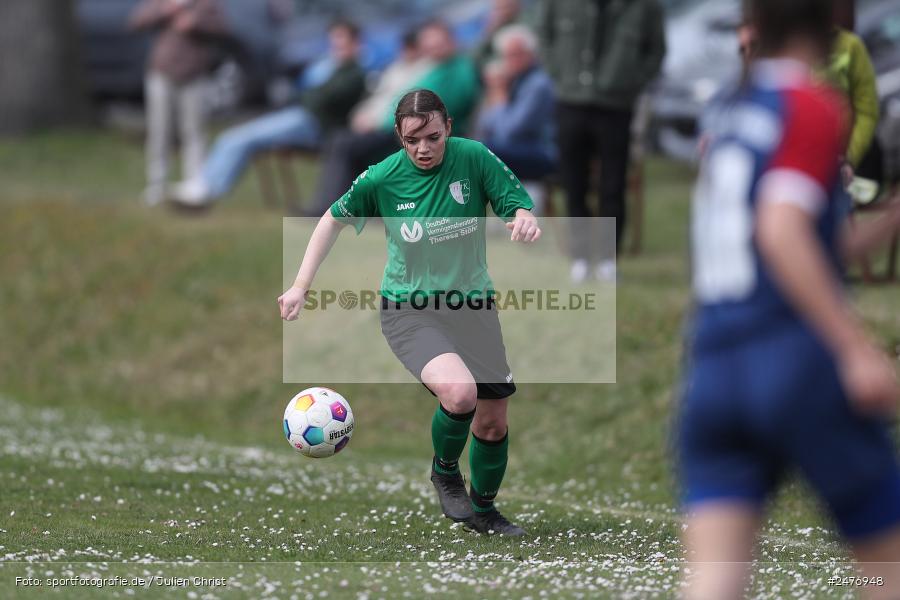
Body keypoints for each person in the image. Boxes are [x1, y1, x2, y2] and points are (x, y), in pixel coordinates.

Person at [678, 0, 900, 598]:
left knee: (713, 583)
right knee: (889, 566)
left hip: (714, 365)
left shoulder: (728, 110)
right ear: (833, 22)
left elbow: (805, 241)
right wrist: (853, 347)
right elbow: (781, 232)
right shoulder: (807, 104)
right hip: (792, 359)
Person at [279, 89, 539, 536]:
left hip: (473, 307)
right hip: (410, 310)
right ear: (399, 136)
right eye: (412, 140)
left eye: (433, 137)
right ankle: (444, 472)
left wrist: (522, 217)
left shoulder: (473, 157)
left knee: (493, 423)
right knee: (460, 395)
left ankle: (484, 511)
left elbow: (513, 201)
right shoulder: (382, 177)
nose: (423, 149)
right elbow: (331, 219)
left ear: (448, 129)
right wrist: (300, 285)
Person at [170, 19, 366, 207]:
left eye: (341, 39)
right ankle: (204, 183)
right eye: (333, 39)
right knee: (234, 136)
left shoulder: (354, 72)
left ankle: (208, 189)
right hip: (300, 115)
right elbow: (307, 94)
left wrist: (313, 91)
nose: (335, 44)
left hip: (314, 125)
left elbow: (320, 99)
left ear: (354, 42)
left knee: (243, 138)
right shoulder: (329, 67)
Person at [537, 0, 665, 282]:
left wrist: (631, 80)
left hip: (616, 104)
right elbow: (544, 37)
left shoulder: (644, 6)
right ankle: (580, 258)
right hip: (570, 101)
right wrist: (561, 74)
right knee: (574, 183)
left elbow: (656, 49)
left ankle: (608, 258)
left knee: (613, 184)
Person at [308, 21, 481, 216]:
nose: (434, 47)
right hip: (402, 130)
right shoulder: (433, 68)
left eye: (438, 41)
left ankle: (329, 209)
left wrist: (380, 123)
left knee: (344, 143)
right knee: (342, 140)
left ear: (451, 40)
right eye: (429, 43)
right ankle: (342, 208)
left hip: (417, 135)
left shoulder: (459, 70)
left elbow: (437, 108)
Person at [128, 0, 229, 206]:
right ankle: (157, 184)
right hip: (161, 72)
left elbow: (223, 28)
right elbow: (136, 22)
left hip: (194, 75)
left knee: (194, 131)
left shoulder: (206, 4)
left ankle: (195, 185)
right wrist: (165, 10)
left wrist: (196, 22)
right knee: (159, 130)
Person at [474, 24, 556, 213]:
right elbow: (483, 127)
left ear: (531, 54)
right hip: (517, 150)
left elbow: (509, 132)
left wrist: (499, 93)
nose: (509, 61)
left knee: (480, 151)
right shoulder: (515, 81)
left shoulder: (538, 85)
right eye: (506, 55)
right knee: (472, 148)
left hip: (541, 154)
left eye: (516, 54)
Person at [825, 0, 881, 187]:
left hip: (836, 169)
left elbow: (867, 110)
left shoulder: (850, 46)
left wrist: (848, 159)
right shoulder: (781, 49)